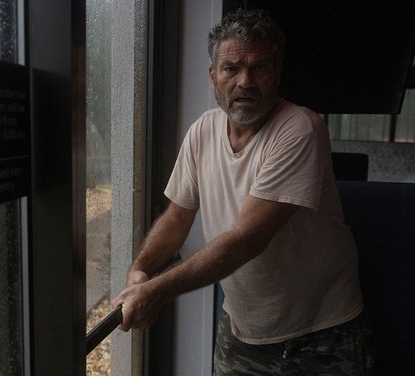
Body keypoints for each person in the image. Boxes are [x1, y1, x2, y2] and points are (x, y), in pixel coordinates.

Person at [112, 8, 373, 375]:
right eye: (231, 68)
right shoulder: (203, 130)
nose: (245, 81)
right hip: (243, 328)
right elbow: (177, 215)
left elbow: (248, 239)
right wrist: (140, 270)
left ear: (277, 75)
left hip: (321, 333)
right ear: (213, 77)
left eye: (260, 68)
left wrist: (155, 291)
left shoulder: (300, 129)